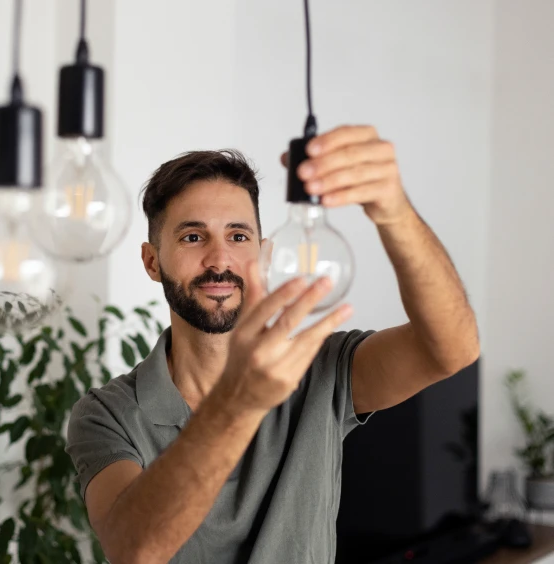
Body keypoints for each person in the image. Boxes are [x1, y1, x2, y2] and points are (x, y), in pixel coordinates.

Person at [65, 125, 480, 564]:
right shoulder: (106, 414)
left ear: (263, 254)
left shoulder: (318, 368)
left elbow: (452, 349)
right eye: (192, 237)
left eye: (238, 236)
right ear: (152, 262)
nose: (219, 259)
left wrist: (394, 212)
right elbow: (133, 550)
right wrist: (240, 403)